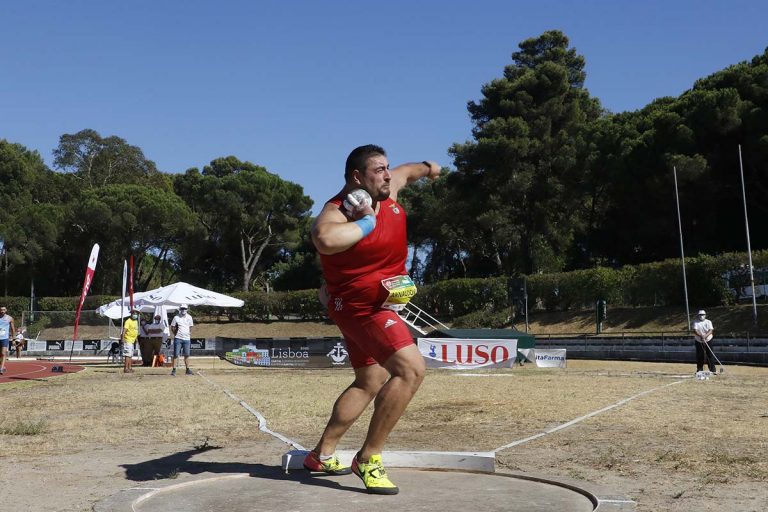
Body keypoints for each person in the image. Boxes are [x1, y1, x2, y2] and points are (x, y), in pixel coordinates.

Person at [306, 144, 440, 495]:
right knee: (411, 370)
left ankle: (322, 454)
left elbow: (408, 172)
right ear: (357, 178)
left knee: (370, 379)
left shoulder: (388, 185)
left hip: (379, 303)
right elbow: (325, 239)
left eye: (387, 167)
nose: (386, 174)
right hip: (361, 307)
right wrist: (367, 220)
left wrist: (428, 167)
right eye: (378, 169)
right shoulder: (336, 212)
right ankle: (369, 458)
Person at [170, 304, 194, 376]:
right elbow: (172, 326)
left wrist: (189, 333)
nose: (183, 310)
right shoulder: (176, 317)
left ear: (187, 309)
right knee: (175, 354)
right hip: (178, 338)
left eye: (185, 309)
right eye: (182, 308)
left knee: (187, 354)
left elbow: (191, 326)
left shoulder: (189, 317)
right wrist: (175, 334)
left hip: (187, 338)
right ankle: (174, 370)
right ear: (180, 309)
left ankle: (187, 369)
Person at [692, 309, 716, 374]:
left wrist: (705, 336)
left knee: (710, 354)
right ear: (698, 315)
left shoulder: (708, 322)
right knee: (700, 355)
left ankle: (712, 370)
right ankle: (699, 370)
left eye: (702, 315)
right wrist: (700, 336)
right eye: (700, 315)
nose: (701, 316)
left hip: (708, 339)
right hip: (698, 340)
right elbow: (695, 330)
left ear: (705, 315)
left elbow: (711, 330)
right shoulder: (695, 322)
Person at [121, 309, 140, 373]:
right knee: (127, 354)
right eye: (134, 314)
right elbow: (124, 331)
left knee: (130, 355)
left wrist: (136, 339)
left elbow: (135, 331)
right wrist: (122, 339)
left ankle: (130, 367)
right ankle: (126, 368)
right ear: (131, 314)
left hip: (132, 340)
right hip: (128, 339)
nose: (135, 315)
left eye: (136, 314)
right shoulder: (128, 321)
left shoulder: (136, 321)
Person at [0, 305, 17, 374]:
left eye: (3, 310)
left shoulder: (9, 318)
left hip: (4, 338)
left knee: (3, 353)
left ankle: (1, 368)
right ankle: (2, 366)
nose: (2, 311)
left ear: (6, 310)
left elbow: (13, 329)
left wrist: (13, 339)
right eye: (1, 310)